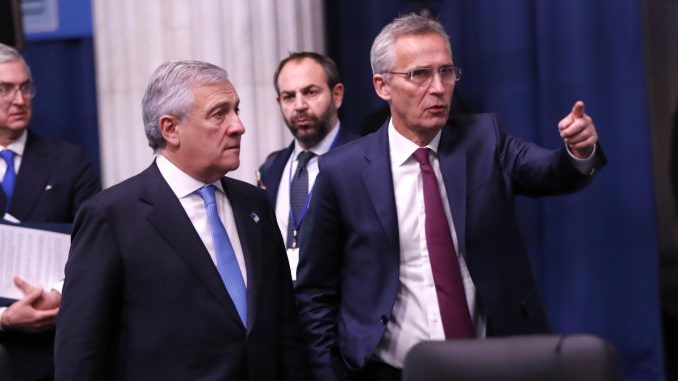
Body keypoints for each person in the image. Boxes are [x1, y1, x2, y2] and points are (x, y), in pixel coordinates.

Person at [295, 14, 606, 381]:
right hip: (391, 370)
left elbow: (552, 171)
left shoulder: (484, 140)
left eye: (446, 72)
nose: (439, 87)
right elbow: (315, 292)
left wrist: (578, 150)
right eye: (420, 75)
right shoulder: (341, 172)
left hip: (494, 363)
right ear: (382, 86)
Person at [54, 60, 309, 380]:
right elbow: (80, 354)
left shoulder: (253, 204)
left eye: (236, 110)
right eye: (220, 114)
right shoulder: (111, 217)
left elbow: (285, 328)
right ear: (170, 129)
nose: (238, 126)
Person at [0, 42, 100, 380]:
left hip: (52, 350)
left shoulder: (69, 162)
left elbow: (95, 245)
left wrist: (56, 295)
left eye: (25, 87)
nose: (19, 99)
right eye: (5, 89)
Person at [257, 52, 359, 277]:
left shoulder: (366, 159)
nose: (300, 105)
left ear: (337, 95)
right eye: (289, 96)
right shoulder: (271, 168)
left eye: (310, 92)